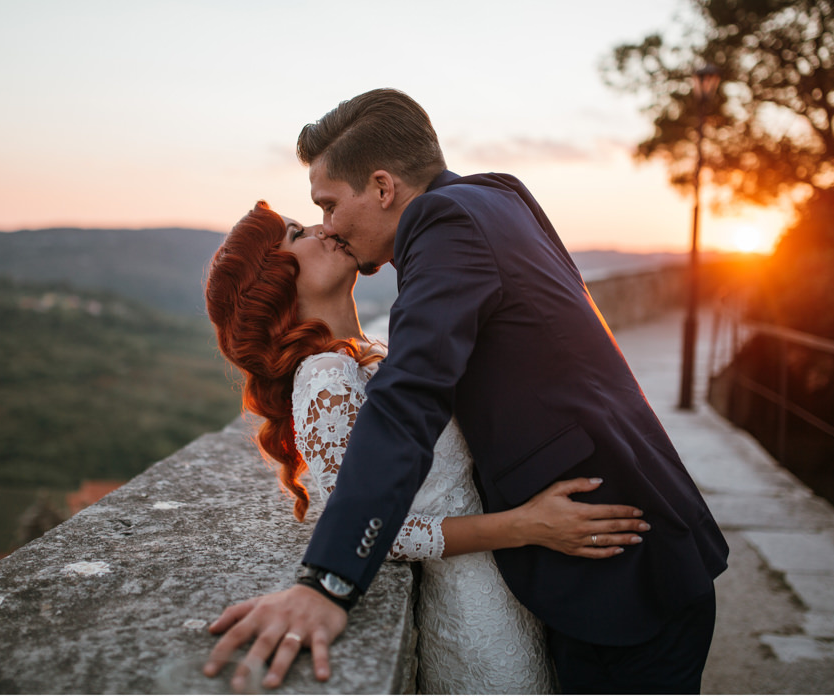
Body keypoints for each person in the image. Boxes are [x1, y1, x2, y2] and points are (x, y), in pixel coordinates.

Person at [205, 89, 729, 694]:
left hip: (617, 563)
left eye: (327, 204)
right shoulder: (497, 191)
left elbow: (408, 399)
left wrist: (328, 582)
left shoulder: (443, 222)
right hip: (621, 543)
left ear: (381, 188)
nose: (327, 225)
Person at [204, 200, 649, 692]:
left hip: (506, 584)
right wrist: (530, 526)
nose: (321, 226)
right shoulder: (325, 376)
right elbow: (377, 533)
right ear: (273, 280)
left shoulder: (377, 352)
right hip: (471, 607)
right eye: (295, 232)